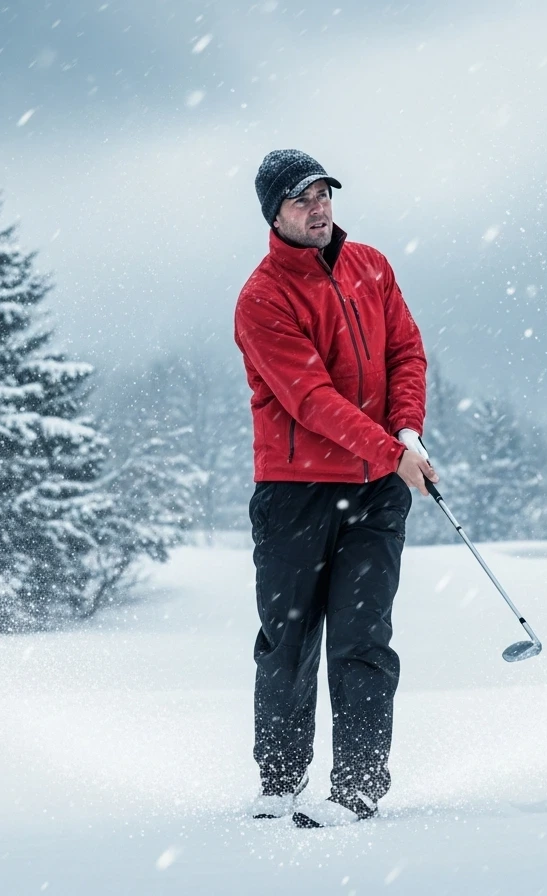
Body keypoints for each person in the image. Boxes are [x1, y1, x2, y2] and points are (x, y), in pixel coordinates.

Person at [233, 149, 438, 828]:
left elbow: (405, 351)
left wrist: (405, 431)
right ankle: (281, 781)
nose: (319, 207)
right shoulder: (262, 297)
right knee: (288, 640)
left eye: (323, 193)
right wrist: (389, 450)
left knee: (363, 638)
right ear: (276, 215)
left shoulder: (371, 265)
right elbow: (309, 398)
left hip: (377, 490)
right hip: (295, 493)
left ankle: (354, 789)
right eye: (302, 199)